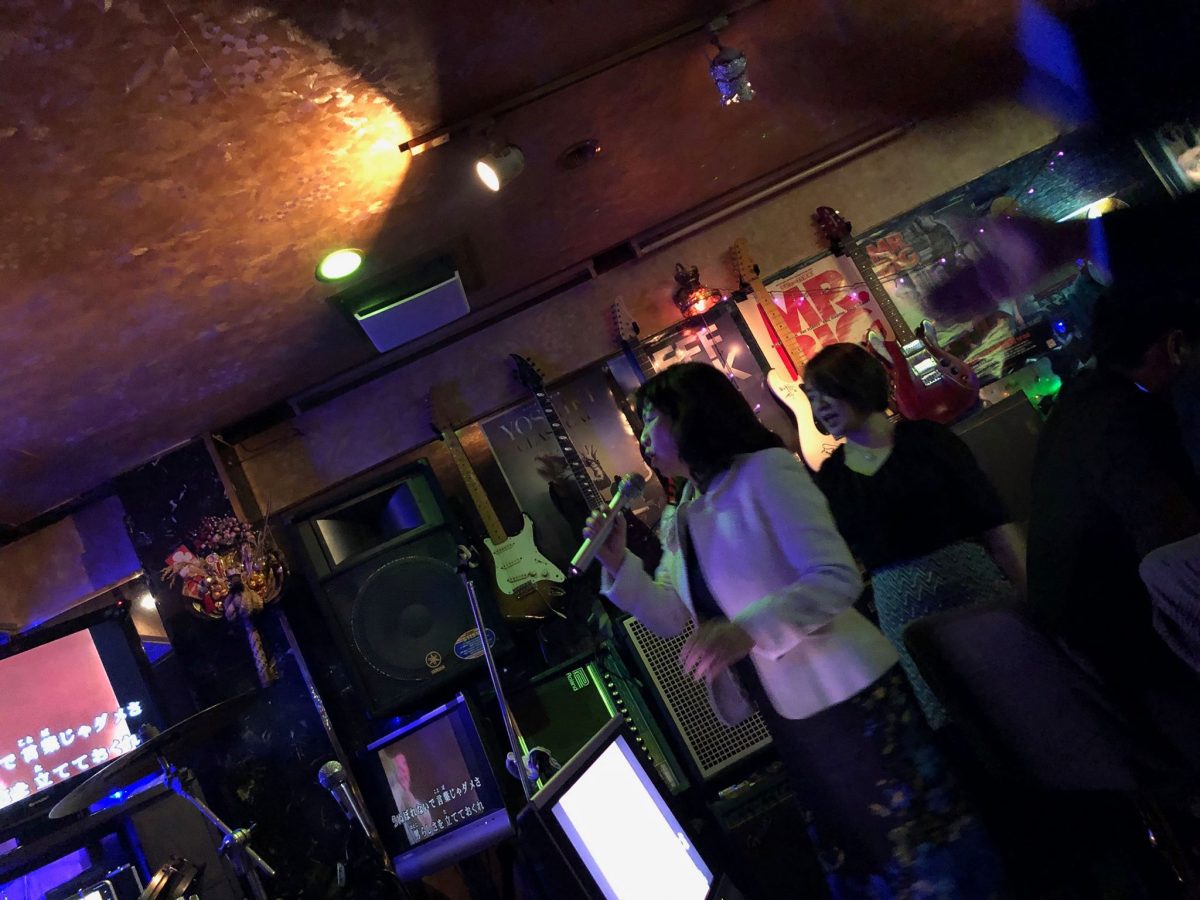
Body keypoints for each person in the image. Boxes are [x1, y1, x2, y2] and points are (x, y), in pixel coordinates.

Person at [583, 361, 1004, 899]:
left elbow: (835, 577)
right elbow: (669, 615)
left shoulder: (767, 472)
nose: (642, 437)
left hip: (853, 700)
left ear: (688, 416)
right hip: (791, 716)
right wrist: (619, 565)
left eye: (649, 419)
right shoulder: (683, 513)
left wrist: (747, 630)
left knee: (919, 847)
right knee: (862, 856)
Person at [802, 342, 1027, 731]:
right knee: (959, 723)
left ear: (856, 384)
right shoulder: (833, 478)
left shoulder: (927, 440)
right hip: (905, 617)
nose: (818, 405)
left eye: (825, 392)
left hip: (976, 592)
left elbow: (994, 521)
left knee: (1023, 691)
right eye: (810, 397)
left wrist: (1030, 592)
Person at [1027, 285, 1200, 772]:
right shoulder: (1127, 417)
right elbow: (1175, 545)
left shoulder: (1083, 403)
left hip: (1086, 652)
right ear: (1175, 346)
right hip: (1138, 652)